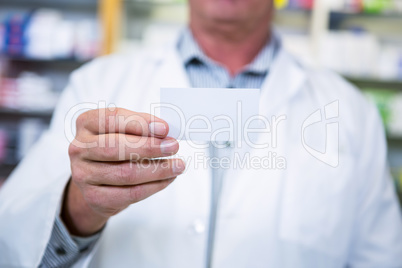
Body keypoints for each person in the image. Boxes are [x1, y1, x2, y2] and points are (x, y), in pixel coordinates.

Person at [1, 0, 402, 267]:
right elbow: (15, 243)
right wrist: (79, 208)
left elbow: (381, 257)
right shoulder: (97, 85)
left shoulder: (351, 113)